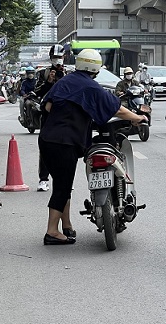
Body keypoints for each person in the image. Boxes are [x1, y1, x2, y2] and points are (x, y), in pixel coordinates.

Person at [38, 49, 146, 245]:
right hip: (65, 142)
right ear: (96, 68)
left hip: (47, 140)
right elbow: (117, 109)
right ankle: (51, 231)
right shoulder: (91, 87)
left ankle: (67, 226)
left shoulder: (65, 81)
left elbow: (47, 107)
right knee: (63, 186)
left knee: (62, 184)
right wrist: (138, 117)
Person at [33, 44, 66, 192]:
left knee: (65, 147)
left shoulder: (70, 73)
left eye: (59, 57)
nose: (57, 60)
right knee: (46, 146)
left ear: (64, 57)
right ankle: (43, 179)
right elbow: (37, 92)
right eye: (54, 58)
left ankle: (63, 179)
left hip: (65, 114)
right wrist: (49, 82)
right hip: (48, 113)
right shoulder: (43, 73)